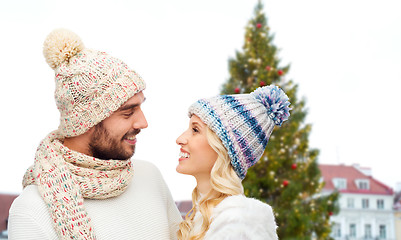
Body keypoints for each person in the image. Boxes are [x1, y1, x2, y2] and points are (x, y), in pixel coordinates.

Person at [8, 28, 182, 240]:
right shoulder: (32, 210)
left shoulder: (150, 177)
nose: (143, 123)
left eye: (140, 107)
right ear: (85, 122)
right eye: (128, 112)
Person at [175, 85, 291, 240]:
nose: (180, 139)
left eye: (195, 130)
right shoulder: (204, 217)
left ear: (223, 148)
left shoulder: (240, 222)